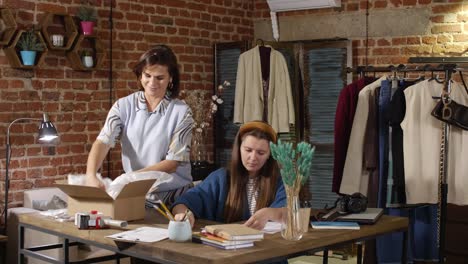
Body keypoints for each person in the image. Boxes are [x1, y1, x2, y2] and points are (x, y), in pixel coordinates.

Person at [85, 45, 194, 206]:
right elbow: (103, 142)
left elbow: (172, 163)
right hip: (136, 193)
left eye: (160, 77)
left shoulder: (182, 112)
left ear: (171, 78)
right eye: (147, 75)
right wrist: (91, 175)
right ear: (140, 75)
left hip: (174, 196)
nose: (152, 83)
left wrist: (130, 177)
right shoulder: (123, 106)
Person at [171, 121, 286, 230]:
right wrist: (183, 214)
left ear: (269, 155)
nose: (253, 157)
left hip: (268, 247)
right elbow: (184, 202)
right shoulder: (221, 178)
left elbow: (291, 212)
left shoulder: (278, 180)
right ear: (239, 149)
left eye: (261, 153)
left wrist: (269, 213)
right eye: (248, 150)